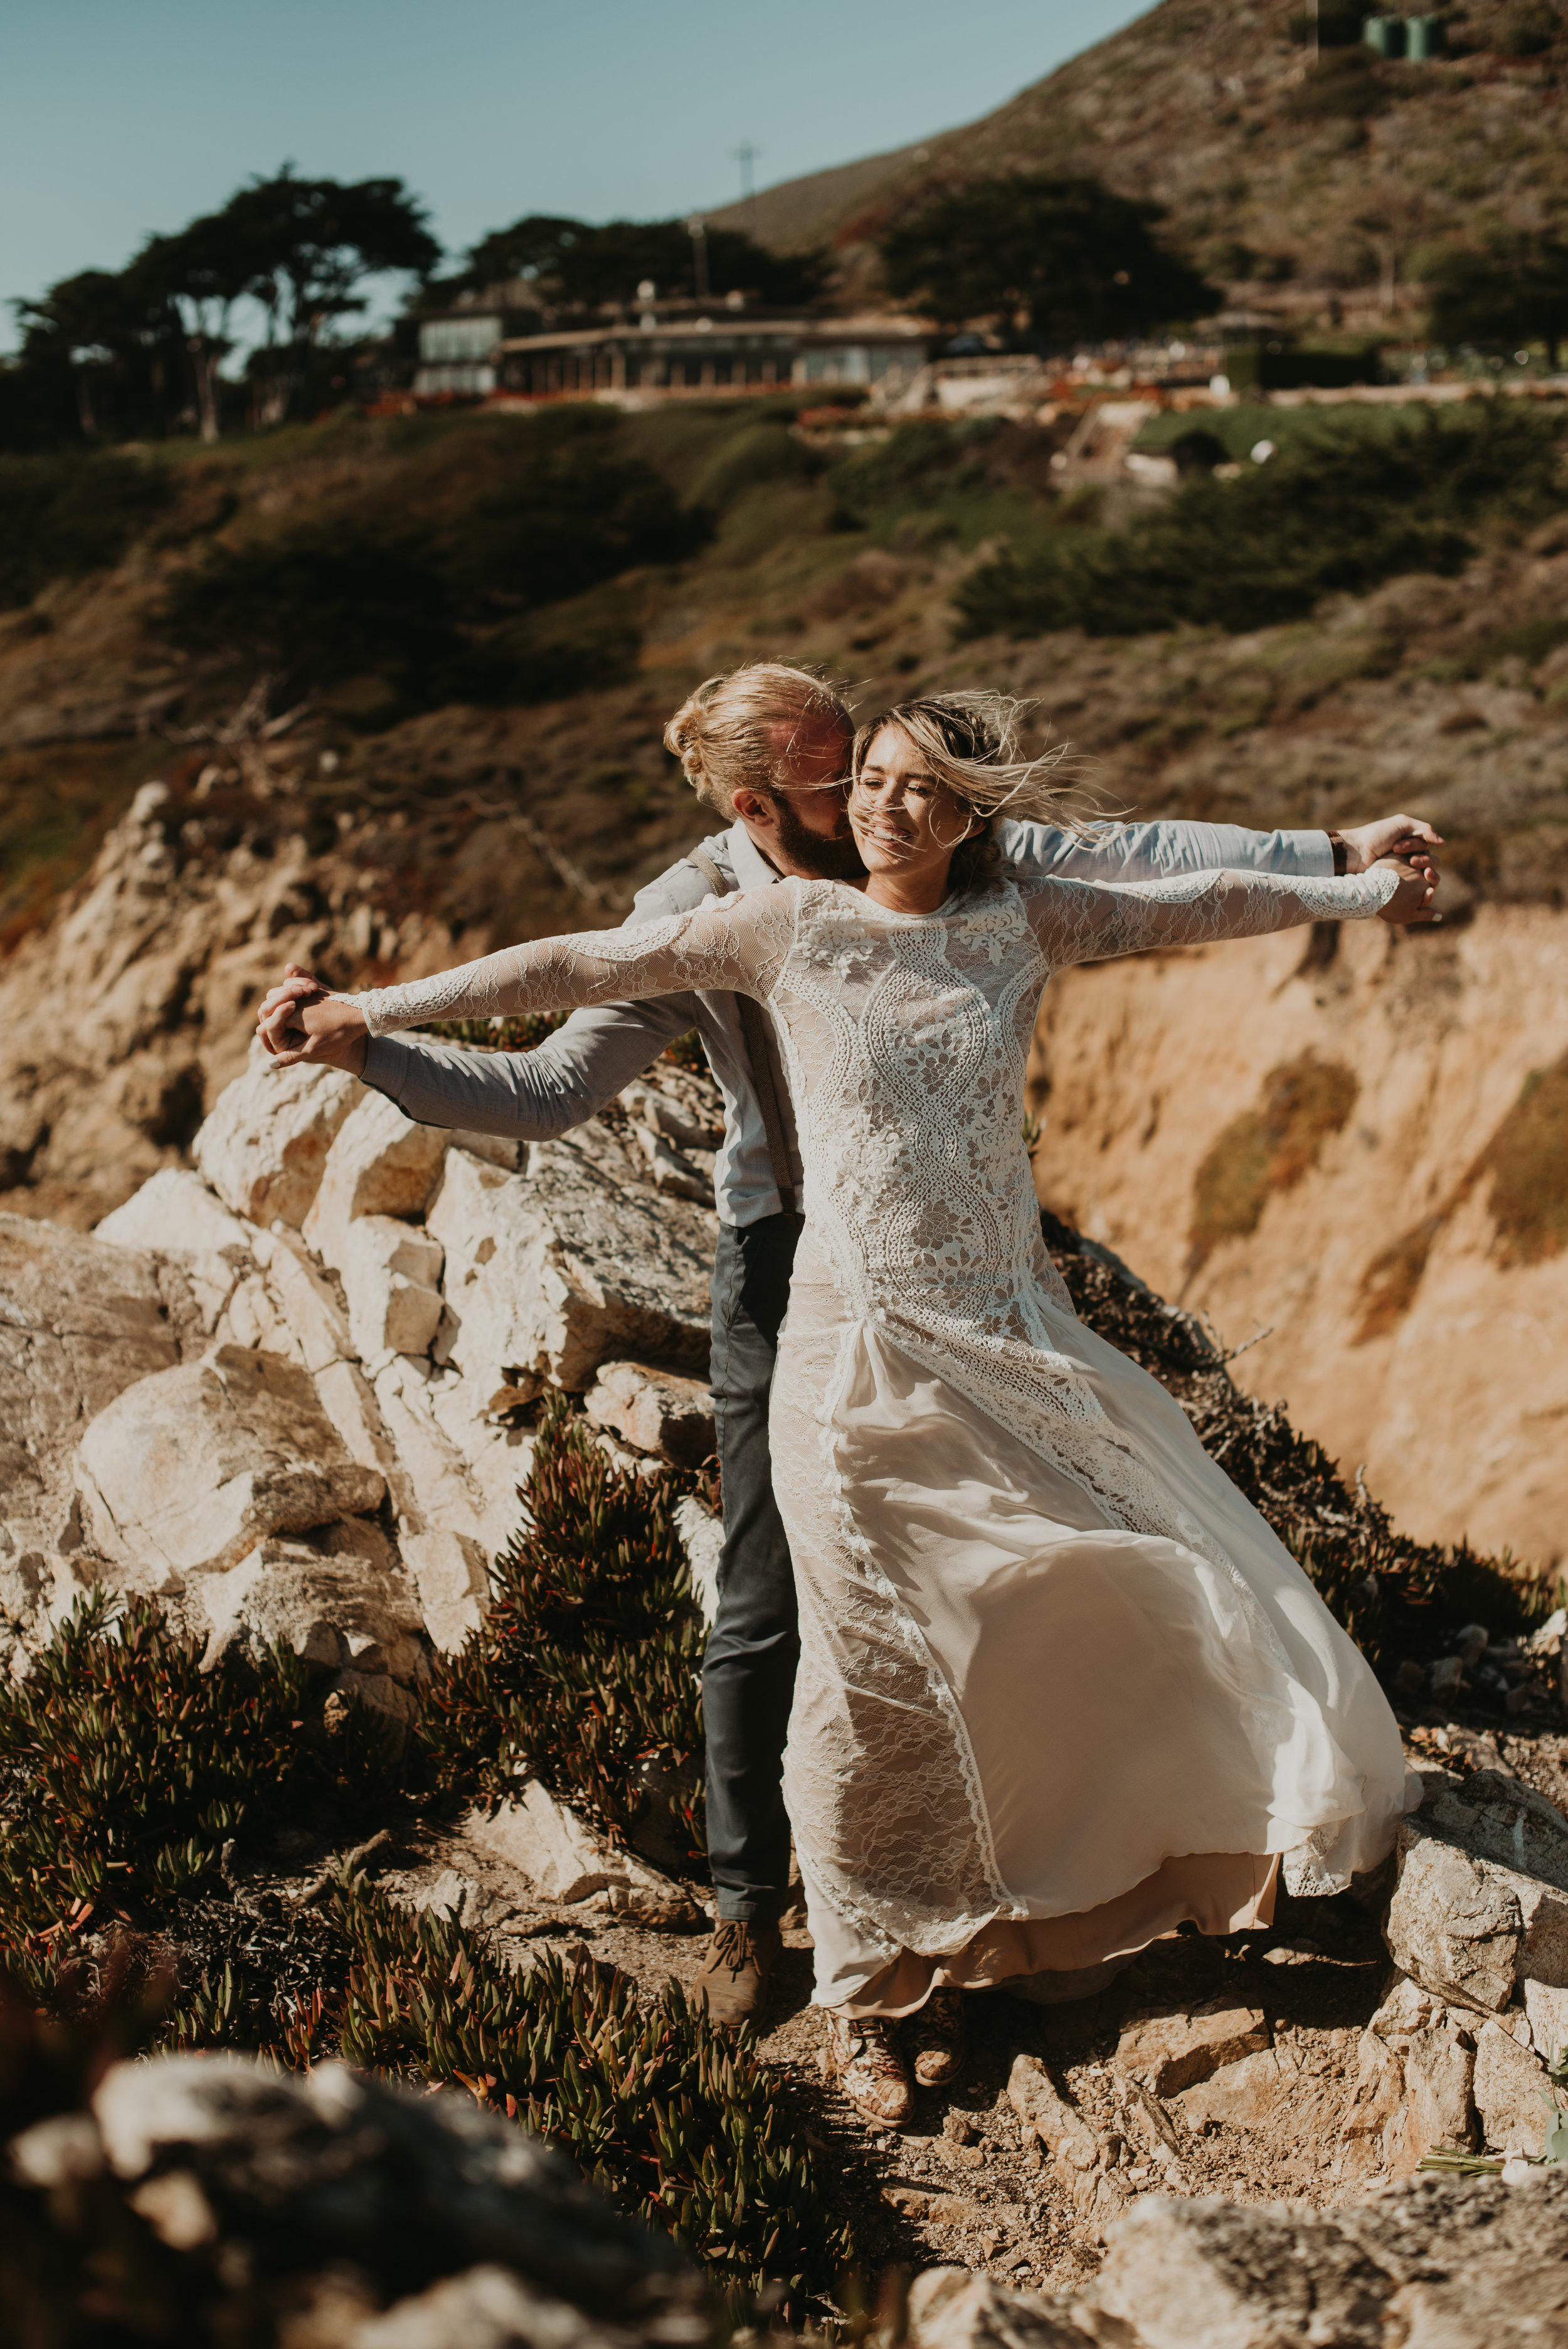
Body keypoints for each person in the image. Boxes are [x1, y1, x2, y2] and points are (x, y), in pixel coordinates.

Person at [260, 691, 1433, 2124]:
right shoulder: (732, 907)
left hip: (991, 1293)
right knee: (788, 1612)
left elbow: (1163, 869)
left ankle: (1041, 1878)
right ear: (762, 807)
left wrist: (1344, 864)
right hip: (801, 1277)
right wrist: (360, 1027)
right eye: (843, 780)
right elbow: (559, 1047)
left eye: (888, 774)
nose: (870, 802)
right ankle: (773, 1929)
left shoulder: (997, 885)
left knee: (1072, 1564)